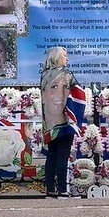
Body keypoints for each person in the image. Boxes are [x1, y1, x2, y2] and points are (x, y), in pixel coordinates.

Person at [40, 46, 84, 199]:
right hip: (64, 120)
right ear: (57, 57)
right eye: (65, 55)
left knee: (51, 155)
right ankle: (63, 190)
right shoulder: (66, 74)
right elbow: (78, 93)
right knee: (62, 155)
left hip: (49, 121)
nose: (67, 58)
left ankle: (50, 189)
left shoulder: (44, 75)